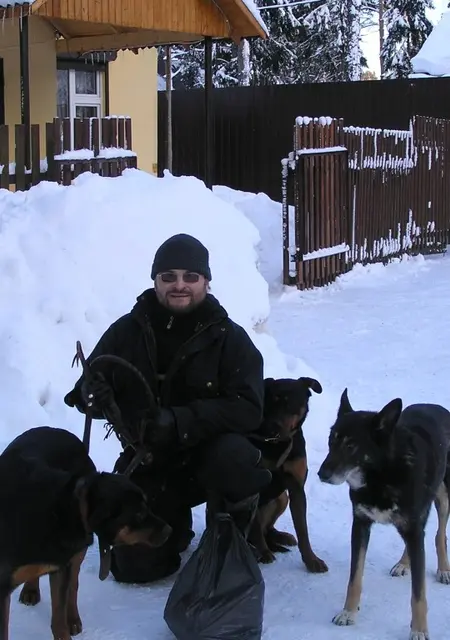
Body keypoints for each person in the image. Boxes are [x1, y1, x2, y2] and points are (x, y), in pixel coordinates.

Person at [64, 233, 273, 583]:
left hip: (209, 460)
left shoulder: (229, 337)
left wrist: (179, 421)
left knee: (235, 457)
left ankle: (233, 537)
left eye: (191, 276)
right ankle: (175, 526)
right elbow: (86, 393)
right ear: (155, 280)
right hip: (149, 461)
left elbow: (249, 408)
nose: (179, 285)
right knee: (135, 569)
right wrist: (91, 394)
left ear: (206, 281)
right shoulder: (126, 331)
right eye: (168, 276)